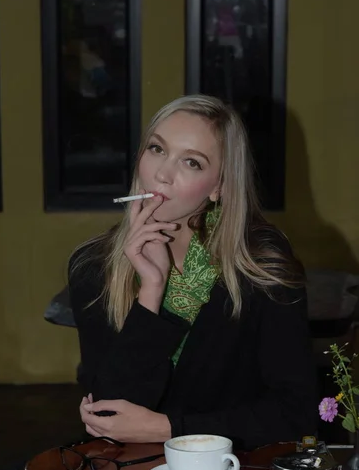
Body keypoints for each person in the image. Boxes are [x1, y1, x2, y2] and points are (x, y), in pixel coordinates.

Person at [70, 94, 318, 450]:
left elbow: (296, 414)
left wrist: (170, 429)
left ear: (219, 186)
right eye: (156, 149)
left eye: (191, 162)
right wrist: (150, 292)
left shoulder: (261, 264)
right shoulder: (92, 266)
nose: (162, 174)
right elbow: (109, 418)